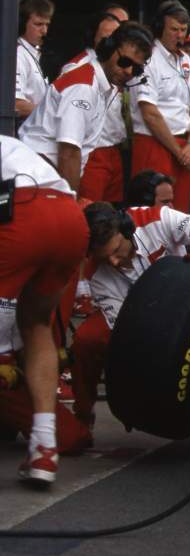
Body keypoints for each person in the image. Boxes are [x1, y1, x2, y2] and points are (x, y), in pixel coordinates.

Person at [70, 202, 190, 427]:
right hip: (142, 324)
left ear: (127, 229)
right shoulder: (96, 274)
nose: (113, 262)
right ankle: (82, 416)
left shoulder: (157, 219)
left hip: (189, 302)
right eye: (103, 257)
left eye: (116, 250)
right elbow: (129, 334)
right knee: (86, 340)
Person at [0, 137, 89, 484]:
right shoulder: (13, 145)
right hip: (68, 215)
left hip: (21, 213)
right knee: (36, 323)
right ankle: (44, 446)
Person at [19, 22, 154, 192]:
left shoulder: (102, 86)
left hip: (44, 176)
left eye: (136, 69)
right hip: (36, 177)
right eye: (124, 61)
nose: (128, 71)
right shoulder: (83, 86)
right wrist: (70, 202)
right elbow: (69, 152)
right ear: (108, 50)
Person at [130, 0, 190, 213]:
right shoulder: (148, 59)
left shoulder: (185, 60)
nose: (179, 35)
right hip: (155, 144)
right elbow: (149, 112)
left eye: (183, 30)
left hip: (183, 146)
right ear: (160, 28)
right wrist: (178, 150)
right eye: (173, 29)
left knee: (179, 213)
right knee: (152, 212)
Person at [15, 0, 54, 123]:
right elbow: (15, 104)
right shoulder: (18, 54)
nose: (44, 31)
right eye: (38, 24)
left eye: (47, 25)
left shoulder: (34, 53)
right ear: (22, 24)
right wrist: (52, 114)